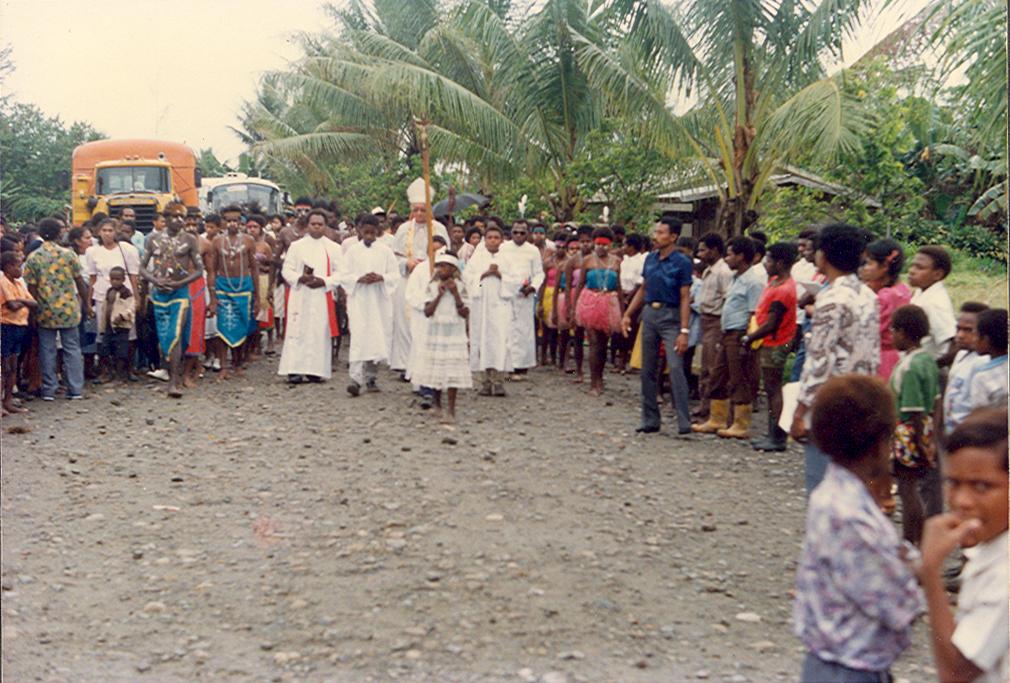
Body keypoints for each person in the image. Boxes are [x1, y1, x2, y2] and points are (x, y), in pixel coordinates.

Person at [794, 374, 923, 683]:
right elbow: (897, 606)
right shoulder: (852, 516)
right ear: (880, 444)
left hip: (831, 661)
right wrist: (923, 569)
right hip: (849, 669)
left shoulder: (832, 494)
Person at [917, 407, 1007, 683]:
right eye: (953, 483)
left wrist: (930, 571)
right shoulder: (991, 547)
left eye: (981, 487)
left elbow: (955, 673)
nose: (961, 501)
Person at [789, 223, 879, 494]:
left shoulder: (831, 300)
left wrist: (800, 410)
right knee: (850, 483)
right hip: (861, 397)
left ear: (823, 256)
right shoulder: (868, 296)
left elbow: (819, 361)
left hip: (830, 402)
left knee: (821, 485)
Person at [621, 215, 693, 435]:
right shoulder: (650, 259)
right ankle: (650, 419)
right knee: (647, 369)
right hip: (650, 314)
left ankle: (683, 420)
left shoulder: (682, 262)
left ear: (673, 237)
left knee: (675, 367)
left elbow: (684, 297)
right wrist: (627, 314)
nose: (657, 236)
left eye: (662, 233)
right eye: (656, 232)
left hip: (671, 316)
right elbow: (643, 289)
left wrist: (684, 330)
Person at [693, 236, 764, 439]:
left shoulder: (753, 282)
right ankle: (717, 418)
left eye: (731, 254)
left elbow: (754, 313)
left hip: (740, 333)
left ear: (741, 256)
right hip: (726, 332)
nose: (727, 258)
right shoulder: (735, 278)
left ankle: (741, 423)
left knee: (739, 377)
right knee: (718, 375)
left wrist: (748, 340)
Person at [22, 217, 91, 401]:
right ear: (59, 233)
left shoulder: (34, 258)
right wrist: (87, 304)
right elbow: (80, 282)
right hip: (69, 309)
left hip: (45, 310)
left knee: (47, 350)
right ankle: (75, 389)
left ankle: (49, 389)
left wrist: (33, 313)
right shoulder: (69, 255)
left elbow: (32, 289)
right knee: (72, 349)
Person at [888, 304, 940, 546]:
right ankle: (917, 540)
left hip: (908, 431)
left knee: (907, 490)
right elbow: (937, 401)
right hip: (926, 428)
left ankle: (910, 541)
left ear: (904, 333)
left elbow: (913, 409)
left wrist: (919, 442)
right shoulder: (928, 360)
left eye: (893, 331)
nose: (891, 336)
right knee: (912, 489)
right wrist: (931, 440)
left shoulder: (908, 366)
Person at [139, 208, 204, 398]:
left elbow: (199, 270)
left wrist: (179, 283)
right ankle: (170, 374)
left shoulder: (189, 240)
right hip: (159, 294)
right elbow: (142, 267)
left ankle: (174, 382)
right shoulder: (153, 239)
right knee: (165, 336)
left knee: (176, 334)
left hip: (180, 293)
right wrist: (155, 280)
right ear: (165, 219)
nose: (179, 220)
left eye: (181, 217)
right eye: (175, 217)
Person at [277, 209, 344, 383]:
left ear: (325, 226)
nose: (316, 227)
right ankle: (294, 370)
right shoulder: (296, 246)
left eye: (320, 224)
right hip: (300, 294)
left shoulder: (333, 248)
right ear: (307, 226)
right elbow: (287, 269)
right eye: (313, 224)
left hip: (321, 295)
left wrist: (324, 282)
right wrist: (300, 278)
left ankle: (315, 370)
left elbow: (341, 273)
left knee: (318, 331)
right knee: (297, 331)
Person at [390, 179, 450, 374]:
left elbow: (446, 255)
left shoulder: (439, 229)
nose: (419, 214)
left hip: (430, 280)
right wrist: (406, 264)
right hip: (407, 279)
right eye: (415, 210)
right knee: (404, 322)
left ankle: (427, 363)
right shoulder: (403, 229)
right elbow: (394, 257)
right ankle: (404, 364)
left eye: (423, 210)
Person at [743, 242, 798, 451]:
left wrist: (749, 338)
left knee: (774, 391)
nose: (765, 264)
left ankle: (777, 437)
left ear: (780, 263)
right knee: (771, 389)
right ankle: (772, 433)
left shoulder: (783, 290)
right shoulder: (775, 282)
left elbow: (772, 323)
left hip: (776, 342)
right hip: (771, 340)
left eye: (769, 260)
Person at [341, 214, 399, 396]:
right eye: (365, 232)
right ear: (359, 230)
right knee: (359, 337)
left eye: (372, 232)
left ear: (377, 232)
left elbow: (395, 274)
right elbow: (344, 274)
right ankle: (355, 379)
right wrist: (358, 278)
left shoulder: (385, 251)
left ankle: (371, 377)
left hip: (379, 299)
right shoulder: (352, 251)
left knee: (376, 337)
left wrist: (381, 277)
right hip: (359, 299)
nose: (368, 235)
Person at [412, 252, 471, 423]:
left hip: (454, 331)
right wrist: (439, 295)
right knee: (436, 367)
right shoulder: (432, 286)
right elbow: (427, 312)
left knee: (452, 369)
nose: (440, 269)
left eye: (444, 266)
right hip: (436, 329)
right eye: (439, 266)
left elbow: (465, 312)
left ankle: (451, 409)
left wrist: (455, 294)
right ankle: (437, 405)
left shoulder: (461, 286)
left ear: (453, 269)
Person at [464, 223, 517, 396]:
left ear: (502, 240)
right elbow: (468, 279)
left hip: (501, 306)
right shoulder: (477, 258)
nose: (493, 241)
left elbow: (516, 281)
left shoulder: (507, 258)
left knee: (501, 341)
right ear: (484, 240)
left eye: (496, 238)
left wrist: (501, 275)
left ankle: (499, 380)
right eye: (489, 238)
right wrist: (483, 274)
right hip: (481, 306)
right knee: (482, 340)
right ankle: (485, 381)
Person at [86, 217, 141, 381]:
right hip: (103, 295)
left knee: (128, 331)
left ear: (116, 232)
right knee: (103, 333)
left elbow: (133, 275)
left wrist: (137, 298)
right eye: (104, 231)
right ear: (98, 232)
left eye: (110, 230)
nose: (107, 234)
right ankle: (105, 370)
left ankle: (127, 369)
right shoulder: (93, 251)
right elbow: (92, 278)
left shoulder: (126, 249)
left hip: (124, 297)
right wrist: (89, 302)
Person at [572, 226, 623, 395]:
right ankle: (594, 383)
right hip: (589, 302)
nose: (601, 247)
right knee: (593, 342)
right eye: (598, 244)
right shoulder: (587, 261)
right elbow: (579, 286)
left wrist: (622, 312)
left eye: (605, 244)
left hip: (609, 302)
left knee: (602, 344)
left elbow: (619, 287)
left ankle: (600, 377)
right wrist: (573, 309)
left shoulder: (616, 262)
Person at [208, 205, 258, 376]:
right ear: (223, 222)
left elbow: (254, 268)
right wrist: (213, 297)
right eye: (229, 221)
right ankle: (223, 366)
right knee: (223, 326)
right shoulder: (217, 241)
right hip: (223, 287)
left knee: (242, 325)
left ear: (241, 222)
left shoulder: (248, 240)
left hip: (244, 287)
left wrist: (258, 297)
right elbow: (212, 270)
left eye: (236, 220)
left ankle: (238, 363)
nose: (232, 224)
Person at [694, 232, 734, 419]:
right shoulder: (708, 270)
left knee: (713, 367)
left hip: (716, 321)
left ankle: (713, 409)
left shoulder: (723, 272)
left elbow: (728, 300)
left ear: (714, 250)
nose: (700, 254)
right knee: (704, 365)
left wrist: (724, 328)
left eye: (703, 250)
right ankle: (705, 404)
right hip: (705, 319)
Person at [860, 238, 912, 379]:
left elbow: (868, 330)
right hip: (897, 356)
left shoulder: (884, 297)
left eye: (869, 263)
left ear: (884, 267)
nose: (864, 268)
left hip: (881, 358)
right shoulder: (903, 290)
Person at [501, 219, 544, 378]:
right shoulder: (503, 248)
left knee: (524, 330)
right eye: (515, 232)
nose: (518, 235)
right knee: (508, 329)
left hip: (525, 296)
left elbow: (539, 273)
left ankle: (522, 365)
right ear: (511, 233)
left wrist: (533, 286)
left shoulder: (533, 250)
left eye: (522, 233)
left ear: (528, 234)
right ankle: (508, 365)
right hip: (507, 294)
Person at [942, 302, 990, 436]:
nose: (960, 335)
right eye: (958, 329)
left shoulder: (983, 362)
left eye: (968, 330)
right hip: (952, 431)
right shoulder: (961, 355)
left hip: (970, 435)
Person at [0, 251, 36, 414]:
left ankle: (7, 401)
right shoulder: (3, 282)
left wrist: (20, 301)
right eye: (17, 265)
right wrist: (23, 302)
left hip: (19, 326)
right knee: (4, 366)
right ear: (8, 267)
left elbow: (33, 302)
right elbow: (12, 306)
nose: (20, 269)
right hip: (6, 325)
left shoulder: (19, 283)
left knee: (13, 365)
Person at [908, 245, 956, 360]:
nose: (911, 271)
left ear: (937, 275)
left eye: (919, 268)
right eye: (912, 266)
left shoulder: (935, 303)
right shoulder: (921, 292)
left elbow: (953, 341)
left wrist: (932, 367)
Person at [964, 308, 1008, 412]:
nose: (973, 339)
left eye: (975, 334)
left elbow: (979, 417)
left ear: (985, 340)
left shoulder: (982, 378)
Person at [98, 266, 136, 384]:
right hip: (109, 327)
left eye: (118, 279)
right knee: (104, 349)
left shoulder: (126, 293)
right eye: (112, 279)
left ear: (123, 279)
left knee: (121, 351)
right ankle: (108, 373)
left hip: (121, 327)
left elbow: (131, 307)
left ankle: (120, 375)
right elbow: (105, 307)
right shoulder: (109, 291)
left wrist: (123, 316)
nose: (115, 281)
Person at [616, 233, 647, 373]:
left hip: (633, 297)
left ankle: (628, 361)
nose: (623, 247)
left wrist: (630, 297)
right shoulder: (624, 260)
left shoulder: (641, 261)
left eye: (625, 244)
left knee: (630, 330)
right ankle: (620, 361)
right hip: (621, 295)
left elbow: (640, 282)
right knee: (619, 331)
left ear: (632, 246)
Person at [248, 215, 276, 357]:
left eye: (255, 227)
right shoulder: (245, 243)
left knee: (266, 309)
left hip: (263, 279)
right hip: (249, 279)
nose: (252, 230)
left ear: (260, 228)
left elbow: (272, 265)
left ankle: (270, 340)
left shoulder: (265, 245)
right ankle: (255, 343)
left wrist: (271, 285)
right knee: (253, 310)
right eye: (250, 227)